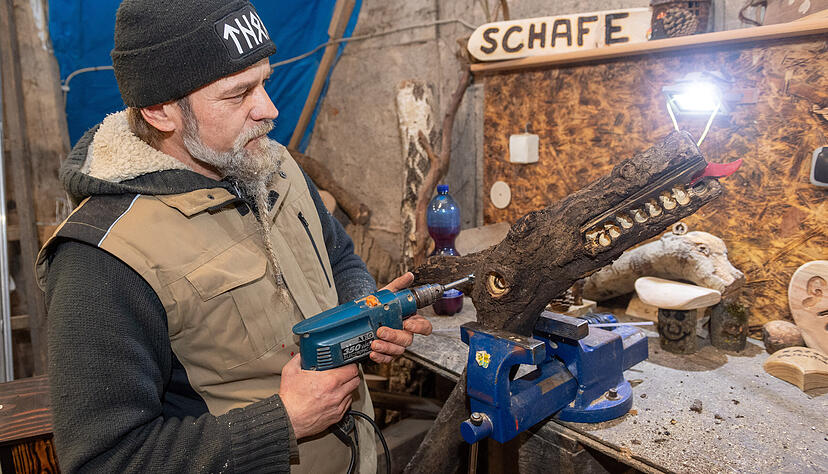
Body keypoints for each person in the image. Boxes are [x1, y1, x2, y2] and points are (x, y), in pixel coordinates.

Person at [36, 1, 432, 472]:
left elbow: (338, 255)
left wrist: (360, 315)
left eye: (263, 81)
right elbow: (106, 460)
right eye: (237, 93)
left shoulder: (273, 164)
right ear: (162, 111)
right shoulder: (101, 259)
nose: (268, 109)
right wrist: (283, 420)